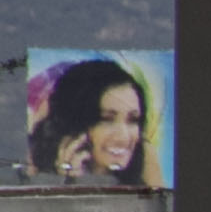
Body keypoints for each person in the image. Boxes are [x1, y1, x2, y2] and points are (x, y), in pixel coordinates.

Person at [28, 58, 153, 186]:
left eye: (133, 120)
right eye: (106, 120)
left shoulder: (145, 175)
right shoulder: (35, 177)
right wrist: (70, 185)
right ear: (74, 126)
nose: (123, 137)